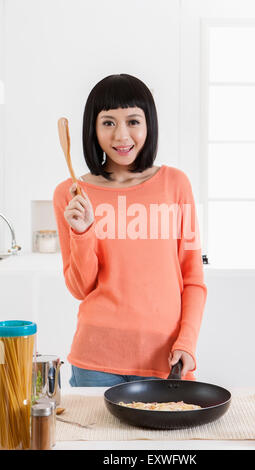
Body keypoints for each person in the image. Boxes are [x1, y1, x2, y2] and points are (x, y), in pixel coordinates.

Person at [53, 73, 207, 387]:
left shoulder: (176, 185)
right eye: (108, 123)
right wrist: (82, 232)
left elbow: (193, 278)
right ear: (93, 129)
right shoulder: (70, 195)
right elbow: (80, 288)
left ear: (149, 124)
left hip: (165, 360)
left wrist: (187, 342)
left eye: (133, 121)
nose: (122, 136)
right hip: (94, 363)